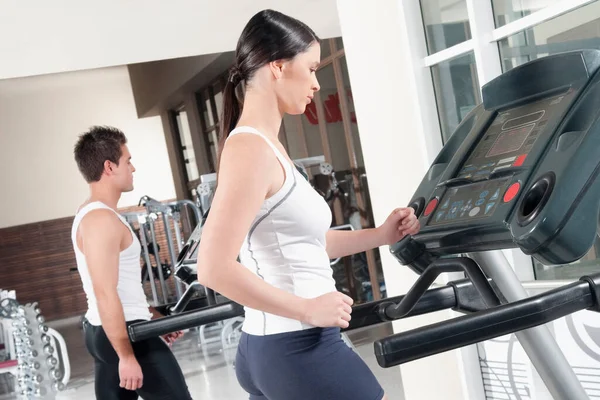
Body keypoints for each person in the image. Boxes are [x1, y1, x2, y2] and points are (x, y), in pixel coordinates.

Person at [195, 9, 420, 400]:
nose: (317, 83)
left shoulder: (265, 145)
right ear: (277, 67)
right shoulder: (251, 148)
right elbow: (212, 268)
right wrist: (305, 310)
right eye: (312, 69)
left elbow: (309, 243)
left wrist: (382, 235)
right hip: (296, 346)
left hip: (274, 347)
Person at [71, 126, 193, 400]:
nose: (133, 168)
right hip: (125, 336)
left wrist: (155, 318)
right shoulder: (101, 220)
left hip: (108, 330)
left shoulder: (91, 213)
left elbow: (122, 287)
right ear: (109, 167)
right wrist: (125, 355)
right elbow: (104, 292)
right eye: (127, 161)